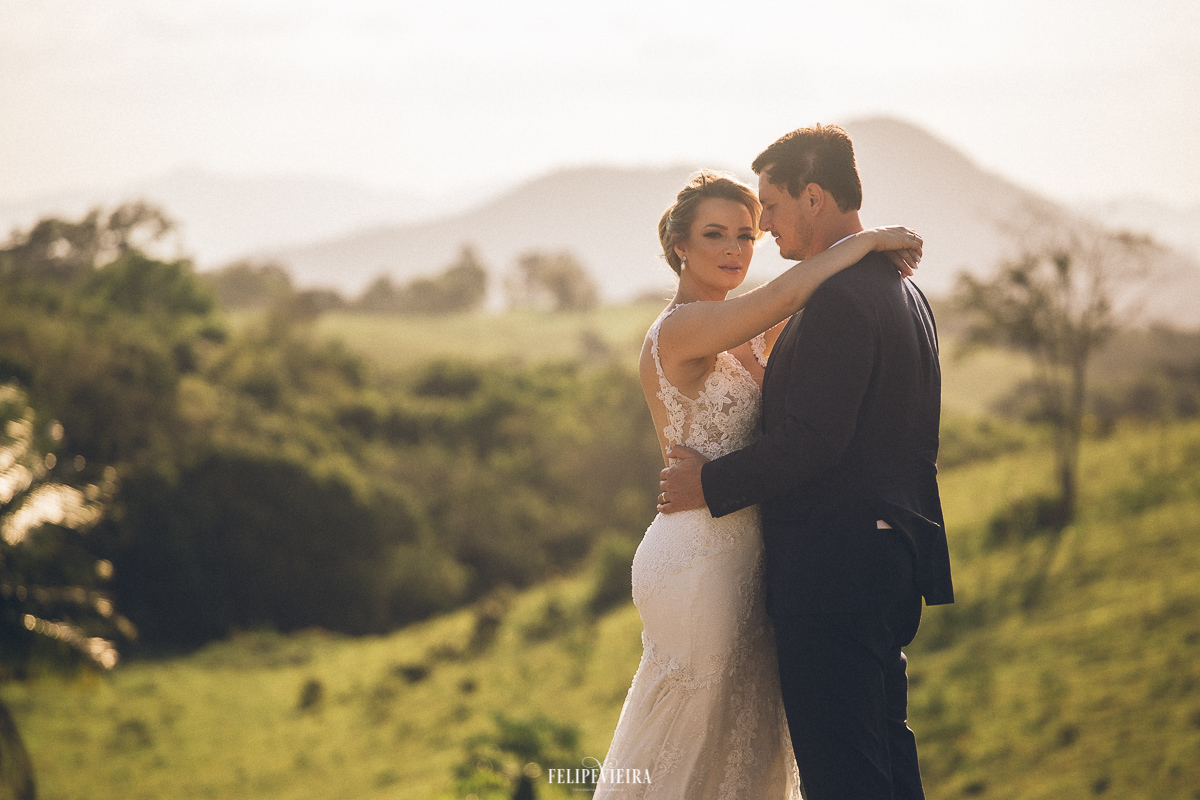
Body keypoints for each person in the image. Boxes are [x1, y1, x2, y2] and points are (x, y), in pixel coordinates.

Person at [594, 168, 923, 799]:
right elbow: (790, 294)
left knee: (746, 738)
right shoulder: (680, 329)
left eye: (746, 235)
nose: (735, 249)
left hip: (754, 556)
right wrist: (863, 241)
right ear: (679, 244)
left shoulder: (743, 337)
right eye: (715, 234)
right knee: (695, 734)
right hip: (696, 557)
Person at [658, 126, 955, 800]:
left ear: (814, 197)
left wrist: (709, 482)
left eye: (772, 206)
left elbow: (814, 439)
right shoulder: (904, 293)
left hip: (836, 570)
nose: (762, 227)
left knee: (843, 772)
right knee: (884, 753)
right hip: (889, 560)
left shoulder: (840, 302)